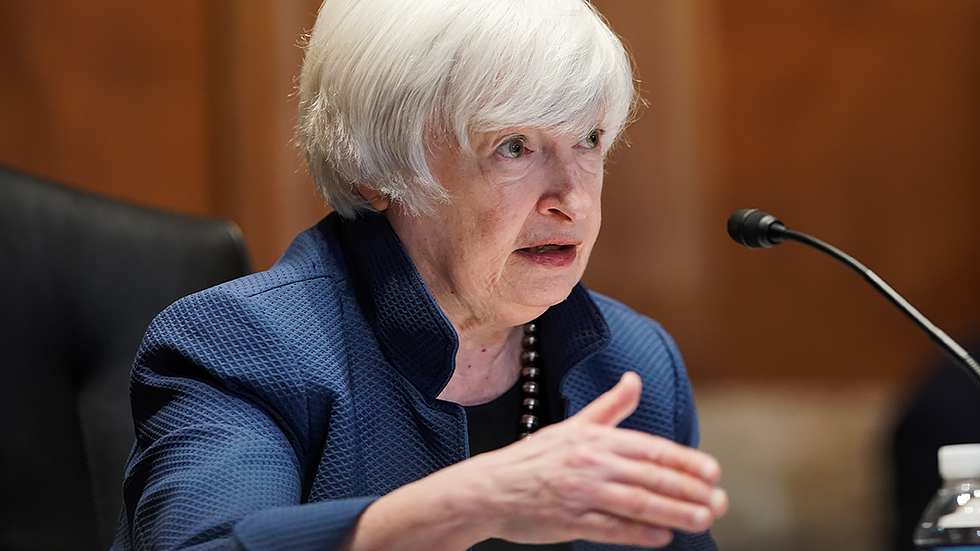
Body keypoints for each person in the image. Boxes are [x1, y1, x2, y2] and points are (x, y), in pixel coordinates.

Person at [111, 0, 728, 549]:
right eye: (514, 146)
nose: (573, 199)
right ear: (375, 170)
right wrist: (475, 502)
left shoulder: (634, 365)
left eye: (589, 139)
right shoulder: (243, 347)